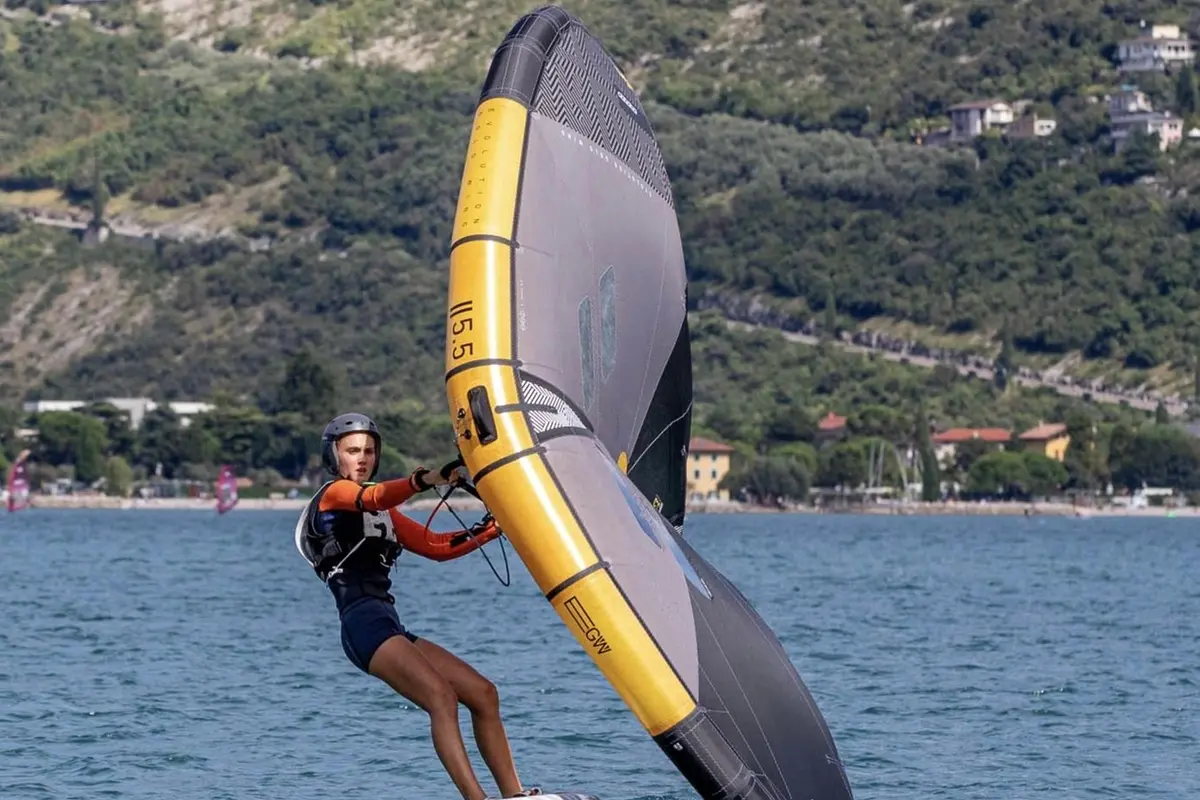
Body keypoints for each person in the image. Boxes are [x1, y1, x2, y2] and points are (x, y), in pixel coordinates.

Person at [295, 412, 540, 800]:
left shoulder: (383, 512)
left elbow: (435, 547)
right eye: (353, 451)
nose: (362, 458)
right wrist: (424, 480)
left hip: (390, 625)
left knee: (483, 694)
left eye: (370, 451)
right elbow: (370, 496)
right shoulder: (334, 495)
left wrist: (495, 527)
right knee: (440, 698)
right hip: (362, 625)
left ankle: (516, 795)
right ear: (334, 455)